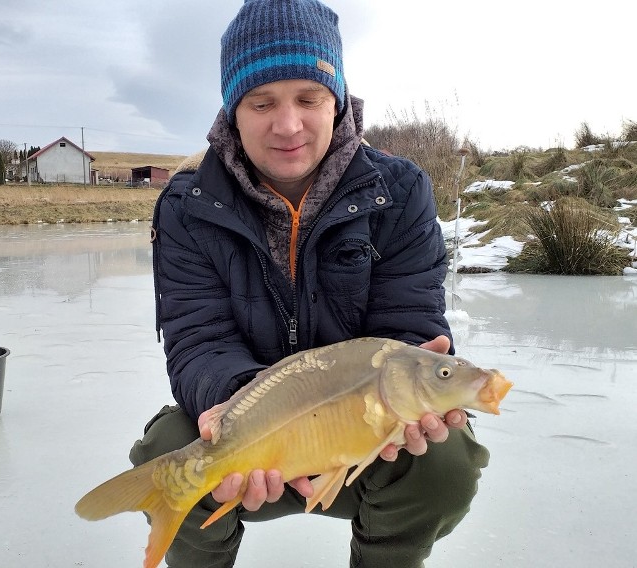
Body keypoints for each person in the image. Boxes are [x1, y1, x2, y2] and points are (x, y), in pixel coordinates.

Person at [130, 1, 490, 566]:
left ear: (338, 98)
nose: (288, 125)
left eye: (308, 98)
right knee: (168, 449)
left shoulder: (399, 191)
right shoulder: (186, 205)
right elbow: (198, 339)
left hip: (368, 440)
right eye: (262, 102)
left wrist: (408, 403)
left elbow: (406, 331)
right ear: (233, 109)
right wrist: (238, 409)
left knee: (445, 459)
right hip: (252, 446)